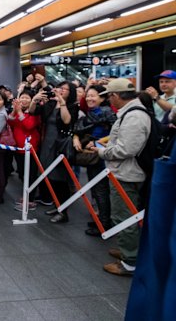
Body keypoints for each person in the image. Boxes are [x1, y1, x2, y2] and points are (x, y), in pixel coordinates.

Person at [89, 78, 150, 276]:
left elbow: (126, 149)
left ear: (115, 96)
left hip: (127, 173)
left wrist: (101, 152)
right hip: (124, 171)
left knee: (125, 216)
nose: (108, 101)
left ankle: (129, 260)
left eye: (109, 97)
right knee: (124, 214)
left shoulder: (134, 117)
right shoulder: (132, 113)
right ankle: (127, 249)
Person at [29, 81, 79, 223]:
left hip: (60, 145)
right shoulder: (50, 104)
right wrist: (35, 100)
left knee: (60, 179)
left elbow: (67, 120)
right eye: (60, 88)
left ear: (71, 92)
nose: (61, 91)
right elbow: (33, 111)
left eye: (65, 89)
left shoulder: (73, 106)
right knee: (50, 177)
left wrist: (62, 103)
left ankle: (64, 212)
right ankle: (57, 206)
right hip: (47, 143)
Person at [72, 85, 116, 236]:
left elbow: (115, 133)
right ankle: (101, 219)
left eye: (93, 96)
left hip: (102, 156)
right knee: (97, 189)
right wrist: (77, 137)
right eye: (88, 95)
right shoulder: (91, 113)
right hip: (94, 156)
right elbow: (79, 129)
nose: (89, 98)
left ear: (102, 97)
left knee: (101, 190)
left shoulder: (107, 113)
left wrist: (98, 141)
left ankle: (103, 223)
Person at [8, 90, 41, 211]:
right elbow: (9, 122)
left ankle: (30, 200)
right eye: (22, 97)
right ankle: (26, 195)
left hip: (31, 149)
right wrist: (14, 110)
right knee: (22, 174)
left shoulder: (34, 113)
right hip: (18, 148)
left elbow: (28, 126)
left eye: (27, 98)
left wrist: (20, 111)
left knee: (31, 175)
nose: (24, 100)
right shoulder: (17, 111)